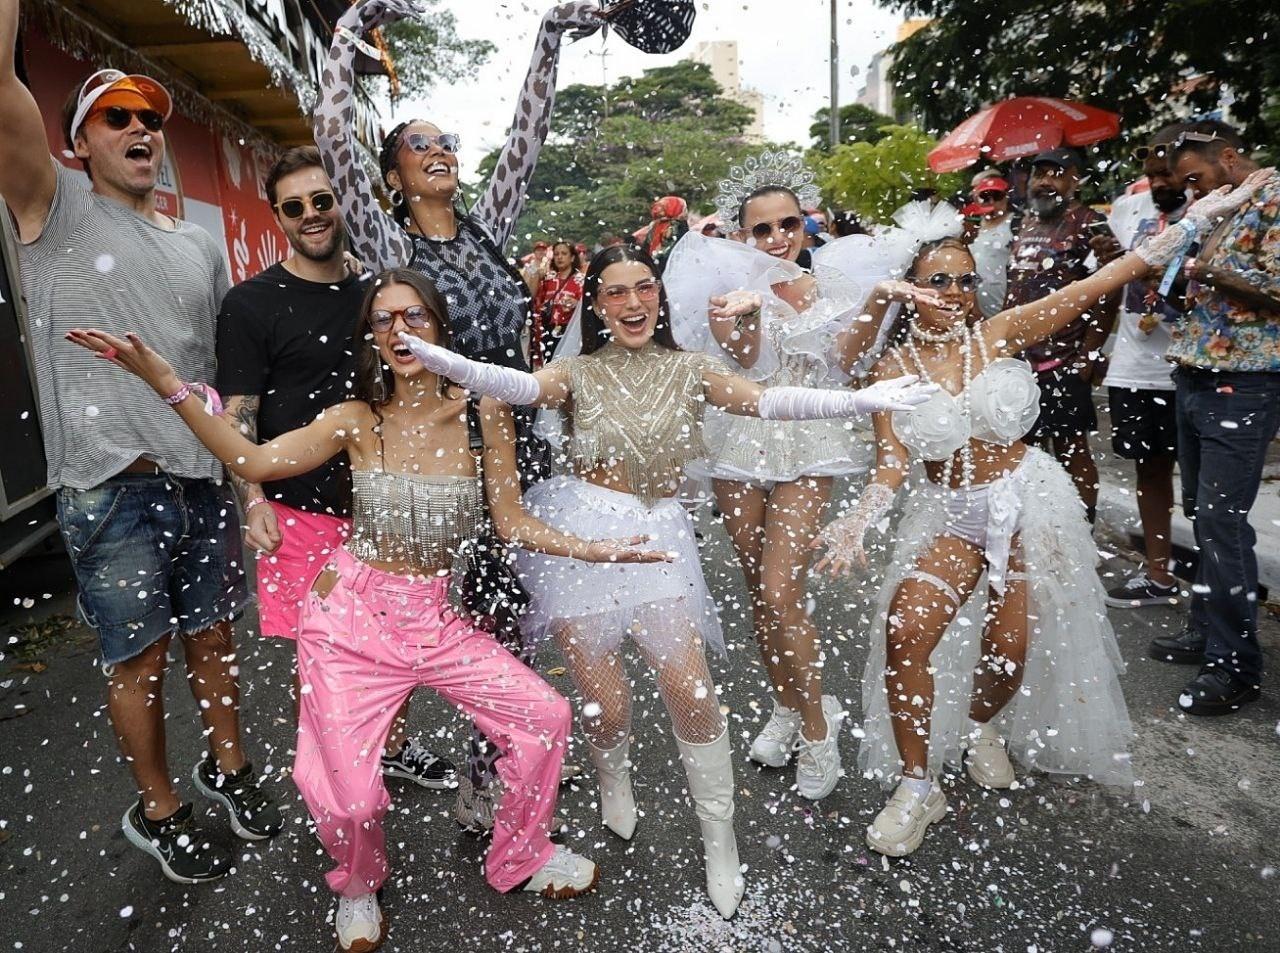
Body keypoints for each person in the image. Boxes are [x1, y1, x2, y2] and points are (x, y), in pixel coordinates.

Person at [67, 270, 668, 950]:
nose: (400, 329)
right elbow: (253, 458)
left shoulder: (481, 410)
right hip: (348, 620)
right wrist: (168, 384)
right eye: (383, 320)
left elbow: (512, 519)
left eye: (415, 314)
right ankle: (358, 879)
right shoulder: (355, 417)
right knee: (349, 799)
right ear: (370, 339)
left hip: (437, 620)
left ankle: (519, 855)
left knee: (545, 717)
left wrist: (596, 549)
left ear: (439, 326)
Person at [396, 244, 937, 917]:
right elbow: (518, 387)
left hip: (660, 540)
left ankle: (720, 840)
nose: (632, 303)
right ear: (597, 306)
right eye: (616, 292)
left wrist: (862, 399)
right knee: (608, 705)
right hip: (584, 540)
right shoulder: (576, 371)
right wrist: (445, 359)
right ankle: (613, 775)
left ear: (659, 296)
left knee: (692, 690)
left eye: (643, 288)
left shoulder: (690, 367)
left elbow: (770, 401)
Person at [812, 178, 1270, 856]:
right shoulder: (893, 367)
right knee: (905, 629)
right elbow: (886, 459)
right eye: (939, 280)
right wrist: (861, 517)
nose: (957, 294)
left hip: (1027, 503)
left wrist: (1199, 219)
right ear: (908, 286)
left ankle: (978, 724)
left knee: (1010, 649)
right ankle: (916, 786)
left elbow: (1107, 278)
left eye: (967, 280)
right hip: (950, 513)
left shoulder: (999, 332)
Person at [0, 0, 281, 882]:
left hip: (201, 478)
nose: (139, 128)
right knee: (141, 654)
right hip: (112, 486)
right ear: (79, 143)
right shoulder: (51, 207)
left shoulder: (199, 246)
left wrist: (246, 480)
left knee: (213, 637)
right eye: (115, 116)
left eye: (150, 118)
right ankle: (158, 808)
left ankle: (227, 766)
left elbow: (218, 376)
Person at [314, 0, 604, 828]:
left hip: (519, 449)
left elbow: (528, 139)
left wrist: (550, 34)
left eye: (446, 143)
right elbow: (335, 139)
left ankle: (501, 761)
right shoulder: (388, 247)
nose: (438, 152)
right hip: (444, 463)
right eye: (419, 144)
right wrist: (347, 35)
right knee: (476, 624)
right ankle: (482, 775)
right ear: (393, 176)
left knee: (514, 618)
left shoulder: (488, 229)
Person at [662, 153, 942, 803]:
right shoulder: (731, 293)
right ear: (743, 235)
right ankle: (786, 705)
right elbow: (747, 362)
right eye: (762, 230)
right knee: (759, 589)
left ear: (805, 223)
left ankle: (819, 729)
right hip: (742, 441)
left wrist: (875, 301)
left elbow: (844, 362)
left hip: (810, 443)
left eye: (789, 223)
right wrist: (746, 313)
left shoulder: (831, 287)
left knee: (782, 586)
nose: (779, 238)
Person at [216, 146, 454, 788]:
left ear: (344, 203)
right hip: (297, 511)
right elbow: (241, 414)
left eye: (323, 200)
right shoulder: (252, 303)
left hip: (382, 508)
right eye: (295, 207)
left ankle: (392, 750)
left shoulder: (379, 294)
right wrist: (253, 500)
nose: (312, 215)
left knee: (395, 647)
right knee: (321, 660)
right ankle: (333, 777)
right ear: (278, 216)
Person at [1151, 121, 1280, 715]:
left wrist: (1216, 274)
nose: (1192, 193)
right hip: (1196, 373)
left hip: (1244, 382)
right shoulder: (1221, 208)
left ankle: (1235, 665)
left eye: (1196, 178)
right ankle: (1206, 629)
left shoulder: (1274, 198)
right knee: (1201, 513)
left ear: (1229, 157)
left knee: (1223, 522)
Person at [1089, 125, 1190, 609]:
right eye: (1150, 178)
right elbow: (1110, 282)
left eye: (1166, 175)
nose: (1158, 186)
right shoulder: (1129, 211)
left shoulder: (1209, 211)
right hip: (1135, 366)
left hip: (1190, 364)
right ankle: (1158, 576)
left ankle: (1213, 599)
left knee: (1199, 483)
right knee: (1149, 474)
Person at [1005, 148, 1118, 523]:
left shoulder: (1091, 223)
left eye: (1056, 174)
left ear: (1075, 180)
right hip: (1020, 360)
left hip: (1065, 358)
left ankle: (1083, 527)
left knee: (1072, 448)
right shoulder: (1022, 223)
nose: (1045, 182)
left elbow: (1109, 288)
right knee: (1022, 446)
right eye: (1040, 174)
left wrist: (1089, 353)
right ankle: (1035, 527)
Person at [965, 170, 1015, 318]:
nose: (991, 202)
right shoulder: (971, 228)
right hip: (976, 313)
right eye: (985, 197)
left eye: (997, 196)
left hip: (1006, 310)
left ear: (1006, 197)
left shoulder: (1018, 224)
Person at [530, 240, 584, 368]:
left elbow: (589, 306)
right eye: (556, 254)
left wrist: (577, 304)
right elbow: (532, 297)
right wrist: (537, 276)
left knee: (566, 368)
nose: (559, 257)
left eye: (564, 253)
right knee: (548, 367)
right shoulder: (548, 278)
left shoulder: (581, 280)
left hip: (570, 331)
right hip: (547, 330)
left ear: (572, 258)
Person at [635, 195, 689, 271]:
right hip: (669, 268)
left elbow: (646, 249)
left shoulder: (655, 225)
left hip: (652, 267)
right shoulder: (679, 225)